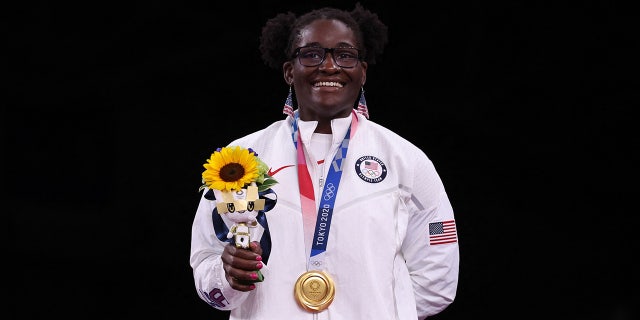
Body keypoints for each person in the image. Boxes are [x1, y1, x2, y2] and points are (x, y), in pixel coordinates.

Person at [190, 3, 459, 319]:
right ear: (290, 71)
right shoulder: (240, 159)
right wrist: (229, 278)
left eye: (345, 55)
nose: (329, 67)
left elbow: (437, 278)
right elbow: (207, 264)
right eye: (312, 54)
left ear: (362, 72)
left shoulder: (405, 160)